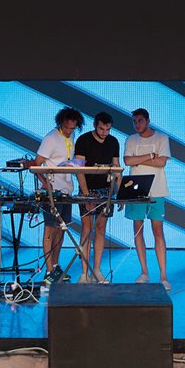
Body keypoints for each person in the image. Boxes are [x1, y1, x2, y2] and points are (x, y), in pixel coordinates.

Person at [29, 107, 84, 271]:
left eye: (72, 128)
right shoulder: (50, 138)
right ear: (61, 123)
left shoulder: (72, 136)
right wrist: (46, 185)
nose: (69, 131)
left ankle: (55, 265)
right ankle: (48, 270)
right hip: (52, 191)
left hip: (67, 188)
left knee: (62, 228)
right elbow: (35, 164)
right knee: (50, 228)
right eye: (66, 128)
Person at [123, 108, 172, 290]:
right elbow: (127, 161)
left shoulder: (161, 138)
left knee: (158, 231)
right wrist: (151, 156)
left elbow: (162, 162)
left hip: (157, 189)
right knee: (138, 229)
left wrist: (139, 159)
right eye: (135, 121)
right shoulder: (131, 139)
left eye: (140, 121)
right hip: (136, 188)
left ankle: (163, 275)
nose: (137, 124)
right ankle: (144, 271)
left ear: (148, 121)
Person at [73, 112, 120, 283]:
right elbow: (78, 169)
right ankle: (84, 273)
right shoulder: (83, 140)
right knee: (87, 228)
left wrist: (119, 192)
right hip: (88, 189)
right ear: (95, 125)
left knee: (101, 228)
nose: (104, 132)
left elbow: (116, 168)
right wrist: (86, 195)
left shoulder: (113, 141)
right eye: (101, 128)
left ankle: (97, 270)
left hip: (106, 190)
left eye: (108, 129)